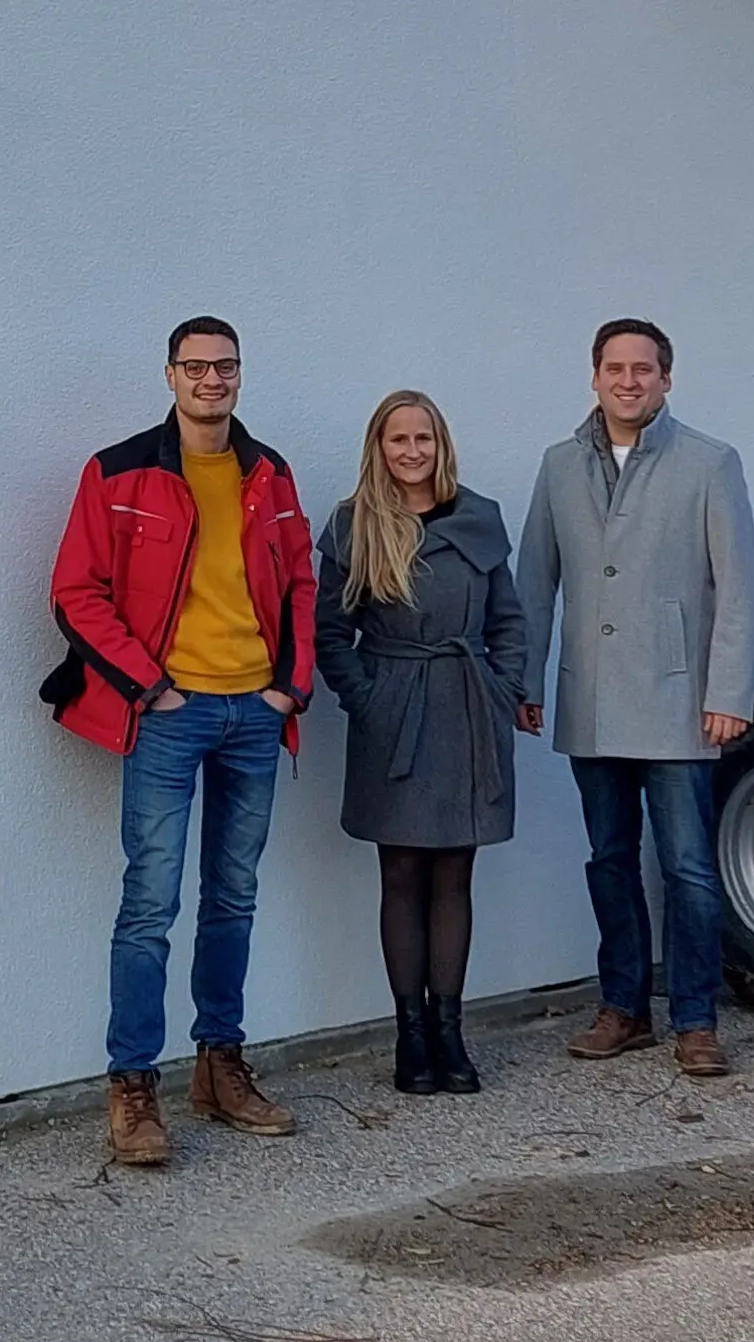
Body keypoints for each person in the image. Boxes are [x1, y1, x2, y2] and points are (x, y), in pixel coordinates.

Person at [44, 316, 319, 1168]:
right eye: (195, 366)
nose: (211, 380)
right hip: (170, 713)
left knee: (232, 896)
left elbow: (302, 582)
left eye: (224, 366)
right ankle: (132, 1087)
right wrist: (146, 684)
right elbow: (75, 590)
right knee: (150, 904)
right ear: (169, 375)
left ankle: (220, 1065)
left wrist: (291, 685)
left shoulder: (266, 472)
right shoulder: (119, 470)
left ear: (239, 376)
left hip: (252, 712)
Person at [516, 319, 754, 1080]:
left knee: (687, 866)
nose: (629, 380)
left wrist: (728, 692)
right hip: (591, 700)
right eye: (614, 367)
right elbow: (534, 583)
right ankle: (622, 1007)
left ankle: (695, 1019)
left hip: (679, 701)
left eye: (644, 369)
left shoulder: (709, 462)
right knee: (609, 858)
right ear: (593, 376)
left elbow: (737, 586)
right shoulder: (559, 466)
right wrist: (526, 679)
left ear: (665, 379)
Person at [314, 390, 528, 1097]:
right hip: (394, 713)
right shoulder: (354, 526)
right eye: (397, 439)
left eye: (423, 439)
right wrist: (368, 697)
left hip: (466, 711)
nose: (411, 452)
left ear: (441, 445)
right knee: (401, 872)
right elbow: (326, 633)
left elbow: (507, 620)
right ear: (378, 447)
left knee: (454, 872)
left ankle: (449, 1030)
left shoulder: (480, 519)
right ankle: (408, 1034)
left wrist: (503, 688)